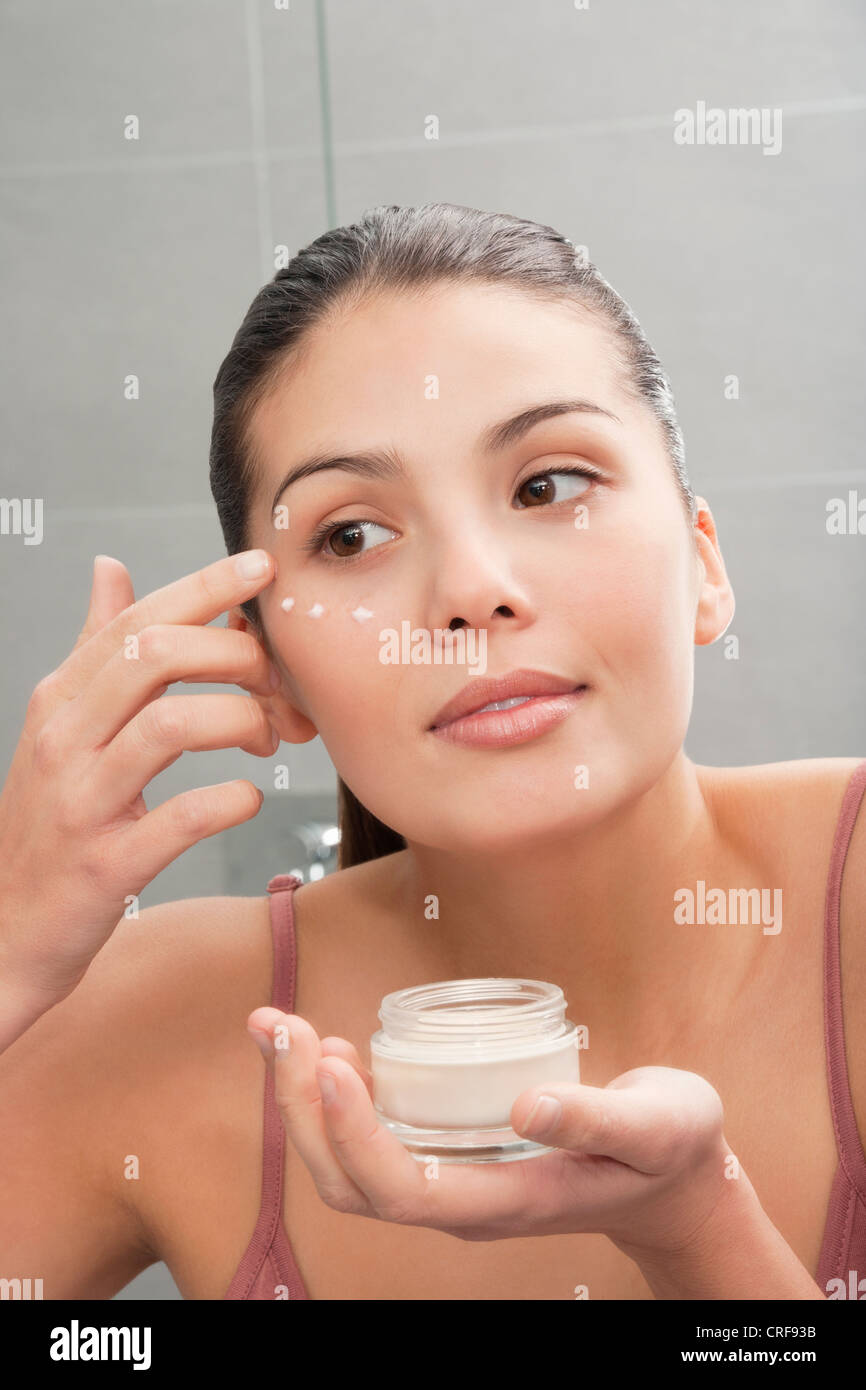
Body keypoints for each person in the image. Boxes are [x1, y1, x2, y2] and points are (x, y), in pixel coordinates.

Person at [1, 204, 863, 1301]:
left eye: (548, 484)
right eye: (350, 534)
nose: (468, 590)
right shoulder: (148, 1020)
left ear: (701, 563)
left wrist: (698, 1230)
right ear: (274, 668)